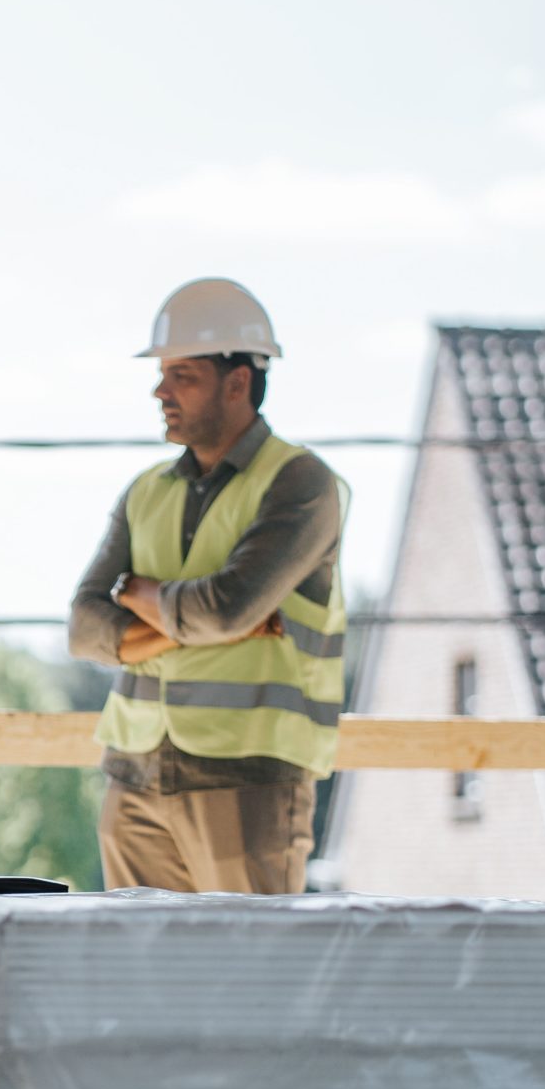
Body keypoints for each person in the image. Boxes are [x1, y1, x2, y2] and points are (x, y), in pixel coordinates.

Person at [68, 279, 347, 896]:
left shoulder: (300, 483)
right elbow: (84, 628)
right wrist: (199, 621)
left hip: (248, 778)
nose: (160, 390)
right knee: (143, 980)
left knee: (249, 979)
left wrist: (139, 595)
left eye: (183, 376)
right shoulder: (146, 491)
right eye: (163, 373)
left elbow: (226, 608)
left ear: (238, 381)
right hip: (134, 777)